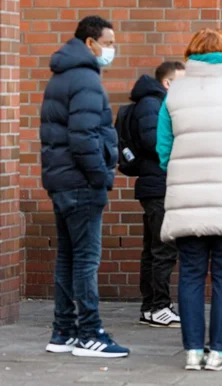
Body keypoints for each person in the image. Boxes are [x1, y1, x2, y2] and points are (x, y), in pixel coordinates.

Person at [157, 28, 222, 371]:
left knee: (189, 274)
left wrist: (181, 172)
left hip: (186, 197)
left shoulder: (176, 89)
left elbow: (163, 148)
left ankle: (192, 352)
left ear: (191, 53)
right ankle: (218, 351)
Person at [40, 15, 129, 358]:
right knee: (86, 260)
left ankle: (63, 331)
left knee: (67, 256)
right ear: (90, 43)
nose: (112, 49)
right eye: (107, 43)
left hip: (61, 180)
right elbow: (84, 137)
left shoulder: (61, 77)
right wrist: (101, 176)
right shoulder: (86, 81)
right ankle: (90, 333)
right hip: (81, 182)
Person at [132, 61, 185, 328]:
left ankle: (151, 306)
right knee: (162, 249)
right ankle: (159, 306)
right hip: (159, 185)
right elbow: (155, 143)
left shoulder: (154, 103)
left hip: (157, 185)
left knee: (154, 249)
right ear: (168, 83)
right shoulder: (154, 105)